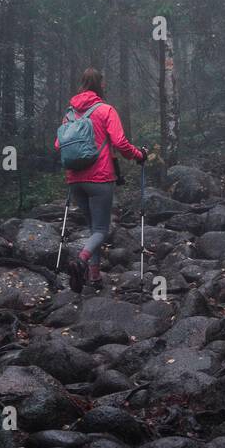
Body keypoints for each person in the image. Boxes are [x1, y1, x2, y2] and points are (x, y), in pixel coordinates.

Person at [55, 68, 144, 292]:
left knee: (92, 227)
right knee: (101, 229)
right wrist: (138, 155)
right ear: (100, 85)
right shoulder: (105, 110)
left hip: (75, 179)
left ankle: (94, 277)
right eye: (104, 83)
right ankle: (81, 261)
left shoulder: (69, 114)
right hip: (100, 177)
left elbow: (59, 145)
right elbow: (120, 142)